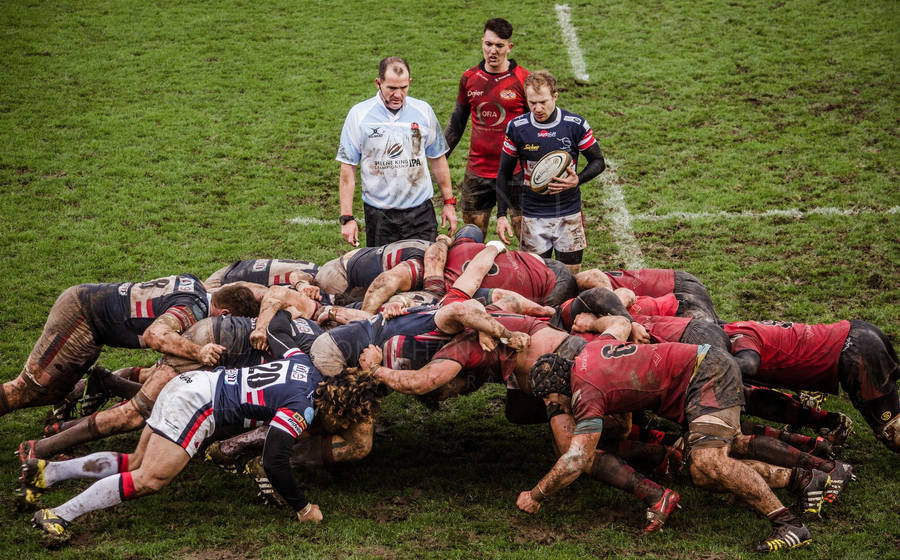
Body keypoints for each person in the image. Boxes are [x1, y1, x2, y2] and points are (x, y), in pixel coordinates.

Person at [519, 316, 817, 552]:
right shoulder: (590, 351)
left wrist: (536, 494)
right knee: (702, 474)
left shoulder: (585, 393)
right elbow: (621, 324)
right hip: (703, 366)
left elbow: (576, 459)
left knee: (709, 461)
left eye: (554, 404)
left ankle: (788, 523)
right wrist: (592, 322)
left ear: (559, 392)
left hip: (705, 374)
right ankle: (805, 478)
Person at [27, 354, 383, 543]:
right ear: (342, 409)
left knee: (136, 461)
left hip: (193, 382)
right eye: (351, 420)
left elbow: (282, 335)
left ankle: (48, 472)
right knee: (150, 478)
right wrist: (303, 508)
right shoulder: (302, 409)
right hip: (200, 405)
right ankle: (58, 514)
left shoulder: (305, 366)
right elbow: (274, 460)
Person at [0, 275, 256, 420]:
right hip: (81, 317)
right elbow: (155, 335)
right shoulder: (195, 308)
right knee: (26, 390)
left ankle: (62, 414)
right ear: (224, 313)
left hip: (89, 313)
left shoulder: (198, 286)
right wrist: (199, 352)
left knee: (53, 391)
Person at [725, 319, 900, 453]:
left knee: (894, 434)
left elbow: (749, 364)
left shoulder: (737, 337)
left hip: (856, 353)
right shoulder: (737, 328)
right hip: (856, 335)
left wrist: (711, 364)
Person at [336, 56, 457, 247]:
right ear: (378, 83)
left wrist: (449, 202)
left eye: (403, 88)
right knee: (383, 274)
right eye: (392, 88)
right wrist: (347, 217)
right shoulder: (359, 115)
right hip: (380, 215)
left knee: (423, 270)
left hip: (420, 213)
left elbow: (438, 158)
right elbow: (347, 169)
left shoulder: (423, 111)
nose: (398, 95)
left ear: (410, 82)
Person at [496, 70, 606, 274]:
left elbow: (598, 161)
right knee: (536, 279)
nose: (538, 108)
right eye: (532, 103)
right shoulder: (517, 128)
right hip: (533, 215)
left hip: (568, 213)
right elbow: (504, 172)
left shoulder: (575, 125)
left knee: (570, 277)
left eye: (543, 102)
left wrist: (577, 180)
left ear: (555, 96)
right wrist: (501, 214)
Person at [444, 17, 530, 239]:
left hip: (516, 172)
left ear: (509, 47)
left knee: (527, 241)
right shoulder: (469, 78)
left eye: (499, 46)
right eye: (488, 44)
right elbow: (457, 122)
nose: (493, 51)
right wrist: (440, 158)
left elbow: (534, 124)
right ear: (482, 42)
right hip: (478, 172)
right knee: (471, 240)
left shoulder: (523, 79)